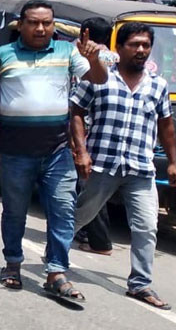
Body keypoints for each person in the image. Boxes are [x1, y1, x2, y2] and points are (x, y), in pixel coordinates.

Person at [0, 0, 106, 300]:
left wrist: (94, 58)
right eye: (34, 22)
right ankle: (13, 264)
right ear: (21, 24)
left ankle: (56, 271)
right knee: (15, 212)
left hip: (56, 149)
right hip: (15, 149)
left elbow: (98, 78)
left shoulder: (67, 51)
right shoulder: (3, 54)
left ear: (53, 25)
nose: (41, 28)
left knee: (63, 210)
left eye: (47, 22)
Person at [71, 22, 176, 310]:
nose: (141, 49)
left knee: (146, 227)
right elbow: (77, 112)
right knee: (82, 214)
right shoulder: (98, 78)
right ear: (119, 48)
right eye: (135, 44)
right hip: (102, 164)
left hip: (140, 168)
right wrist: (81, 151)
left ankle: (140, 284)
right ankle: (56, 256)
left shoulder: (158, 85)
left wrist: (173, 161)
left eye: (145, 45)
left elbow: (165, 125)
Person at [74, 16, 118, 256]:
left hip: (82, 125)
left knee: (89, 184)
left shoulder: (83, 56)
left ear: (86, 32)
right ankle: (81, 231)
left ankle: (99, 241)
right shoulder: (117, 58)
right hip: (104, 127)